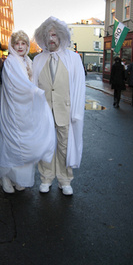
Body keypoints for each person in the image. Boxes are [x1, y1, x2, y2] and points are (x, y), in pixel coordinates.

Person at [0, 31, 56, 194]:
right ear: (12, 46)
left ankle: (18, 178)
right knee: (10, 142)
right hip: (13, 110)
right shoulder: (10, 62)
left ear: (27, 45)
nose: (20, 47)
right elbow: (17, 84)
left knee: (25, 144)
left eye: (23, 43)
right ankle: (5, 177)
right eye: (17, 44)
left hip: (27, 110)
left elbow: (35, 80)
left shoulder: (28, 61)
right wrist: (35, 91)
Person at [32, 16, 86, 195]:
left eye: (54, 34)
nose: (51, 38)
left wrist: (76, 112)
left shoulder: (73, 59)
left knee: (64, 146)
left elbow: (79, 86)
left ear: (61, 36)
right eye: (48, 35)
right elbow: (33, 87)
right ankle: (46, 178)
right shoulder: (38, 60)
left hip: (65, 111)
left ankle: (65, 180)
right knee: (45, 146)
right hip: (44, 112)